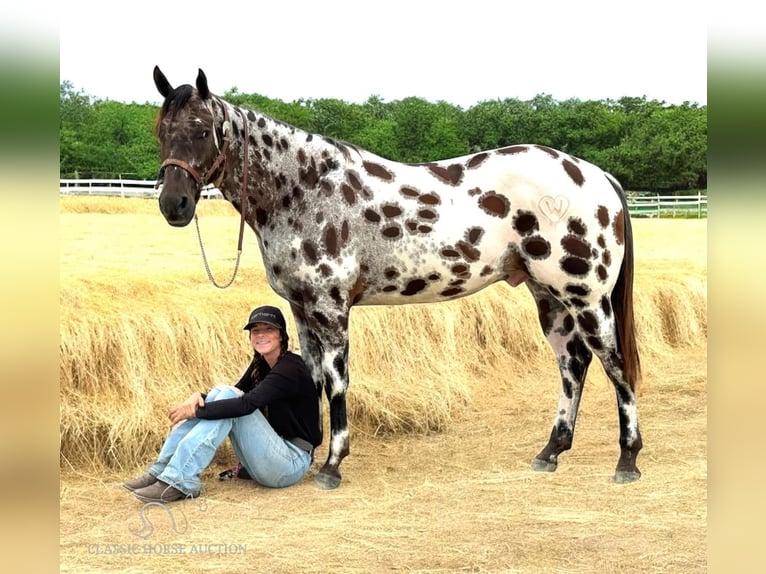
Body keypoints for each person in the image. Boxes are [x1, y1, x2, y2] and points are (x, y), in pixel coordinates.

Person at [123, 306, 321, 503]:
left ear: (281, 336)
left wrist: (196, 412)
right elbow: (233, 395)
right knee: (222, 392)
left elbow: (245, 405)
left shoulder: (290, 367)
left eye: (268, 329)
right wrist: (198, 397)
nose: (261, 335)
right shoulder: (260, 364)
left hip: (290, 464)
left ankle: (179, 479)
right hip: (269, 459)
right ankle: (162, 472)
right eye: (255, 330)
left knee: (227, 397)